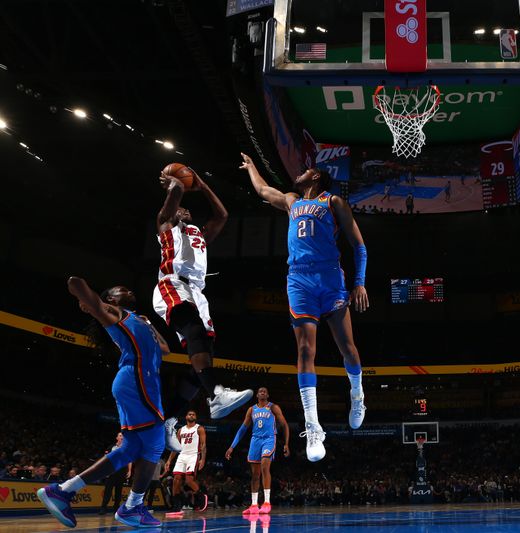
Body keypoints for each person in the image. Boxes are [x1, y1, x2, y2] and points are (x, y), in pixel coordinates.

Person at [240, 153, 368, 462]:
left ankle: (357, 393)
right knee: (304, 351)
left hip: (330, 277)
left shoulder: (333, 202)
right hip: (298, 280)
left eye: (306, 169)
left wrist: (360, 282)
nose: (299, 172)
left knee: (347, 348)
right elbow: (261, 190)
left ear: (316, 177)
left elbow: (358, 245)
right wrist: (252, 168)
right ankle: (313, 426)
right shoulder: (291, 200)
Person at [37, 277, 168, 528]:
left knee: (129, 449)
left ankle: (64, 491)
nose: (128, 289)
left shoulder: (134, 318)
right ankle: (132, 507)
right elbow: (74, 283)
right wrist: (89, 301)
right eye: (121, 289)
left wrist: (149, 325)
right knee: (155, 441)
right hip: (138, 379)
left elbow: (165, 349)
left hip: (140, 381)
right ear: (110, 299)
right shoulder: (115, 312)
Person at [152, 169, 252, 451]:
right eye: (178, 208)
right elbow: (171, 202)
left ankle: (168, 419)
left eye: (185, 208)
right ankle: (216, 395)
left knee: (202, 359)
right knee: (194, 331)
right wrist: (176, 186)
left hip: (197, 293)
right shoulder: (165, 227)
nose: (182, 210)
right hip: (172, 283)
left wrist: (204, 184)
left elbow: (221, 216)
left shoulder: (199, 234)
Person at [226, 387, 290, 515]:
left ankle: (266, 502)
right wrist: (232, 446)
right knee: (255, 475)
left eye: (265, 391)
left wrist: (286, 444)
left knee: (265, 467)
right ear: (256, 395)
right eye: (260, 391)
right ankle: (254, 505)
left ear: (268, 395)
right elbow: (243, 429)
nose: (262, 392)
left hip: (269, 439)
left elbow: (284, 425)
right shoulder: (251, 409)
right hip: (255, 441)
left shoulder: (273, 408)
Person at [164, 410, 207, 516]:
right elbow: (175, 447)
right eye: (189, 414)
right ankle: (176, 507)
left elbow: (203, 445)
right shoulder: (180, 430)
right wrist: (169, 460)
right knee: (176, 480)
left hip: (193, 455)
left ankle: (202, 496)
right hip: (182, 456)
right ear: (186, 416)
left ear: (195, 417)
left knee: (188, 480)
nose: (191, 415)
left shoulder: (199, 428)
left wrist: (203, 458)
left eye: (193, 414)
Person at [99, 432, 131, 515]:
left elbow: (129, 460)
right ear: (117, 438)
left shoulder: (126, 448)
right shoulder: (111, 447)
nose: (122, 437)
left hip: (121, 472)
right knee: (108, 491)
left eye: (123, 436)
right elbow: (105, 459)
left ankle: (116, 508)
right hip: (111, 472)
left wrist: (129, 470)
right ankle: (103, 508)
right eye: (120, 436)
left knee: (118, 491)